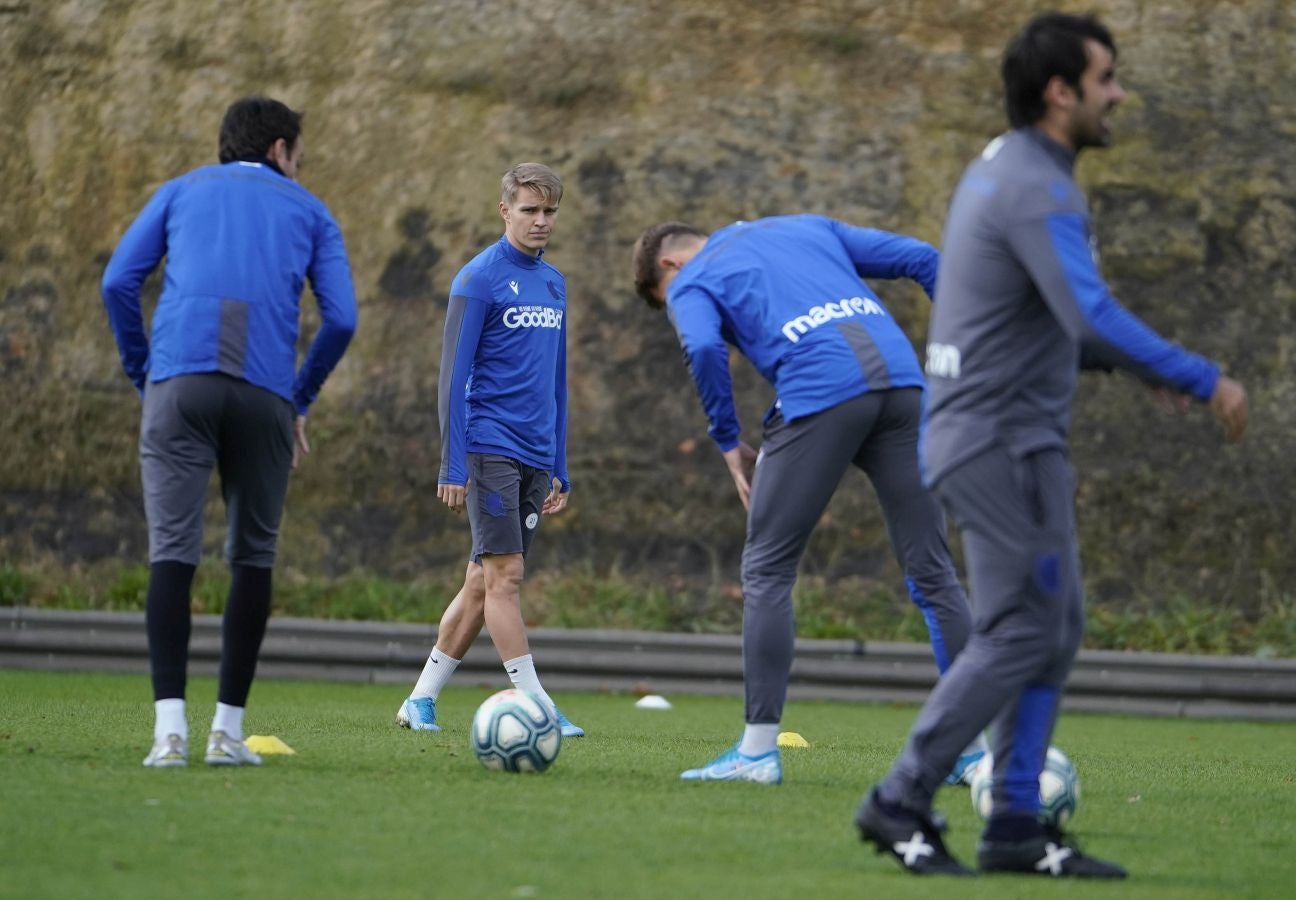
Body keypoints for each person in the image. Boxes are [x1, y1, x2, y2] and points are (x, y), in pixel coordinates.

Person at [854, 12, 1247, 878]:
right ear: (1060, 91)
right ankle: (901, 798)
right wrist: (1199, 375)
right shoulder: (1038, 184)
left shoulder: (1008, 166)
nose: (1120, 94)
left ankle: (1014, 830)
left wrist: (1120, 370)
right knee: (1022, 633)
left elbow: (1037, 320)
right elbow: (1089, 313)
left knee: (1052, 627)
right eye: (1107, 78)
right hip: (1000, 441)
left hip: (996, 433)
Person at [631, 214, 980, 785]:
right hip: (902, 386)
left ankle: (757, 753)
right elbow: (926, 259)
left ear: (669, 266)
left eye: (665, 299)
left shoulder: (693, 280)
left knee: (766, 568)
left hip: (822, 394)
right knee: (934, 572)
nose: (676, 304)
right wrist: (957, 360)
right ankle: (970, 754)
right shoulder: (803, 227)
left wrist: (726, 440)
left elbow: (700, 345)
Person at [101, 96, 358, 767]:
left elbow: (118, 282)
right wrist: (299, 398)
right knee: (253, 555)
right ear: (280, 150)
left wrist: (144, 374)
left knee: (172, 553)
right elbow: (342, 320)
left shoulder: (180, 190)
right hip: (266, 392)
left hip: (178, 383)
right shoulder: (310, 211)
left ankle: (168, 735)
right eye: (298, 155)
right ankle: (226, 733)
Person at [395, 163, 583, 738]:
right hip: (488, 446)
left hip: (535, 454)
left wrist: (559, 465)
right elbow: (452, 377)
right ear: (505, 211)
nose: (540, 221)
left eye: (549, 211)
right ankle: (539, 708)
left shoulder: (554, 283)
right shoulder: (478, 279)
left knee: (481, 581)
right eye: (529, 210)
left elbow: (557, 380)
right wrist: (451, 464)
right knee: (507, 578)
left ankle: (420, 700)